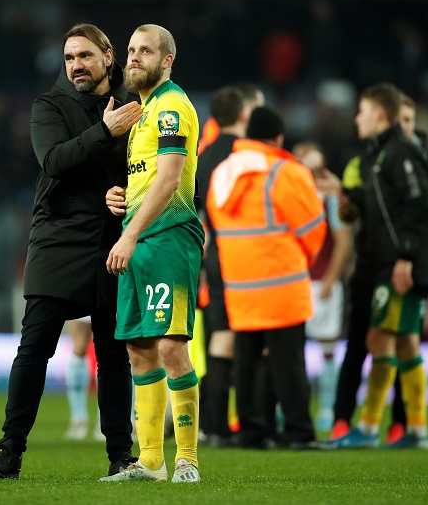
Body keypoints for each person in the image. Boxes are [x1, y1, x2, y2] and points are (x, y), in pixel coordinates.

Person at [0, 23, 140, 481]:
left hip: (112, 241)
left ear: (108, 57)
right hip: (58, 240)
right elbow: (53, 161)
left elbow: (147, 169)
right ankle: (9, 450)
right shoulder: (49, 106)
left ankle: (119, 457)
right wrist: (105, 130)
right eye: (70, 58)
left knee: (112, 355)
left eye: (85, 56)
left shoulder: (138, 106)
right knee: (34, 349)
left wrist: (128, 193)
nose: (76, 66)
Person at [323, 90, 428, 444]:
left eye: (362, 111)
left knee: (383, 340)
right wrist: (345, 193)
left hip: (401, 263)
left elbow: (420, 209)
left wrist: (409, 255)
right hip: (379, 264)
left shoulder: (407, 154)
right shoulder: (376, 156)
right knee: (400, 343)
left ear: (380, 117)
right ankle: (413, 429)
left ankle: (373, 427)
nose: (357, 118)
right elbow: (379, 203)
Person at [100, 24, 203, 484]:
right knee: (140, 350)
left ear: (167, 61)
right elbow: (148, 178)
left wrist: (129, 234)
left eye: (146, 51)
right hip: (138, 238)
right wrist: (119, 196)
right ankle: (150, 462)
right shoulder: (142, 112)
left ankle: (187, 459)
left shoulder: (171, 107)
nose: (135, 57)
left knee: (170, 346)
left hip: (167, 238)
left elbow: (169, 179)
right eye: (130, 50)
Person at [206, 106, 326, 451]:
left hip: (239, 286)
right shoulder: (285, 171)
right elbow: (313, 228)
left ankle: (251, 431)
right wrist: (301, 257)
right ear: (278, 137)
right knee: (287, 361)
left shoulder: (224, 172)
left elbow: (216, 223)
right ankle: (298, 432)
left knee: (246, 360)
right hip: (282, 284)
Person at [196, 84, 264, 447]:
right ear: (243, 114)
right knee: (250, 341)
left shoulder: (203, 157)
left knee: (218, 338)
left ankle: (213, 424)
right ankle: (252, 422)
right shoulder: (247, 156)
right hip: (246, 259)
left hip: (210, 260)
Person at [293, 142, 352, 432]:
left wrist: (330, 278)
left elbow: (343, 241)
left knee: (327, 347)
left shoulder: (330, 200)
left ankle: (327, 408)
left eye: (319, 169)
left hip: (322, 283)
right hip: (298, 283)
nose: (316, 175)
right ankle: (292, 406)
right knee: (293, 350)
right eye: (310, 169)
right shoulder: (294, 197)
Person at [64, 316, 103, 441]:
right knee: (79, 347)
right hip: (80, 297)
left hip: (110, 297)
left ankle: (106, 420)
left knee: (108, 347)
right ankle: (78, 418)